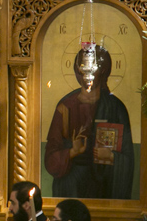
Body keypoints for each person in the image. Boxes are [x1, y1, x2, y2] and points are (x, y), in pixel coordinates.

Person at [44, 45, 134, 199]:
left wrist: (111, 156)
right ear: (76, 70)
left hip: (104, 188)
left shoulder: (116, 108)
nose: (87, 74)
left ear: (103, 70)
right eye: (83, 67)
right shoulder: (65, 107)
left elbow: (128, 159)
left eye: (93, 68)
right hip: (71, 188)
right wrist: (72, 152)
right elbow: (51, 159)